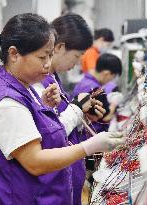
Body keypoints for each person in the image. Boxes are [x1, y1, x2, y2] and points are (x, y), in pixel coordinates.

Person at [0, 13, 126, 205]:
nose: (48, 64)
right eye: (42, 57)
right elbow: (35, 161)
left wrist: (45, 109)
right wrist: (90, 146)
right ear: (14, 54)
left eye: (51, 55)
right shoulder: (6, 102)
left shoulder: (26, 88)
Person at [33, 13, 97, 205]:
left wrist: (84, 115)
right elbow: (48, 134)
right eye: (76, 56)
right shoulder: (35, 84)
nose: (77, 63)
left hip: (64, 186)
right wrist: (76, 109)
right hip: (49, 189)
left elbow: (61, 123)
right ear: (59, 47)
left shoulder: (53, 79)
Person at [73, 53, 123, 132]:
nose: (110, 81)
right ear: (106, 74)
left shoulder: (85, 81)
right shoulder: (96, 90)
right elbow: (106, 118)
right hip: (91, 135)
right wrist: (114, 104)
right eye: (112, 77)